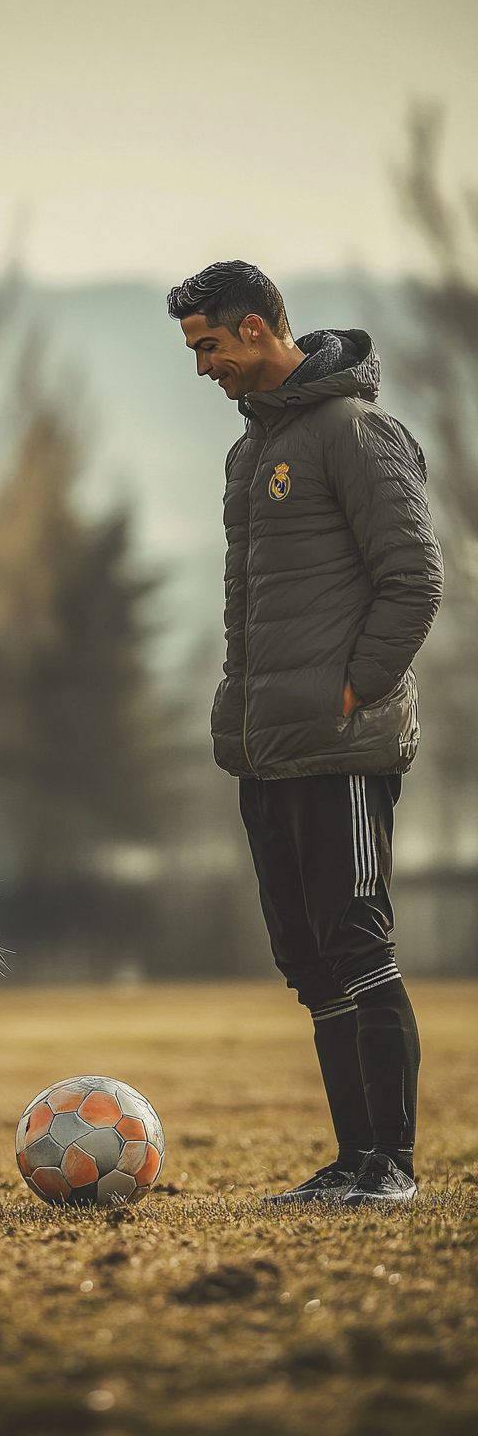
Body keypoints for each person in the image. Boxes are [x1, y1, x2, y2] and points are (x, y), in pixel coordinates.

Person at [167, 260, 443, 1206]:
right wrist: (234, 719)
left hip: (342, 750)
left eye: (208, 345)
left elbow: (415, 581)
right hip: (268, 752)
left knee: (359, 943)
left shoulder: (355, 434)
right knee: (310, 961)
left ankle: (394, 1168)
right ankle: (353, 1161)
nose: (203, 367)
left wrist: (352, 691)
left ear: (254, 330)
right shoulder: (251, 453)